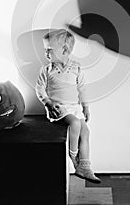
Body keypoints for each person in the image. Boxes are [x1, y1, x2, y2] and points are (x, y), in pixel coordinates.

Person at [35, 29, 101, 183]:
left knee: (85, 132)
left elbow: (82, 88)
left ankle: (84, 167)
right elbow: (39, 89)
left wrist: (86, 107)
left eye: (49, 50)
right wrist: (48, 103)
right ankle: (74, 156)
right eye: (45, 50)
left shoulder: (76, 68)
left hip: (75, 108)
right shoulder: (47, 70)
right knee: (75, 123)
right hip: (58, 108)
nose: (46, 54)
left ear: (64, 50)